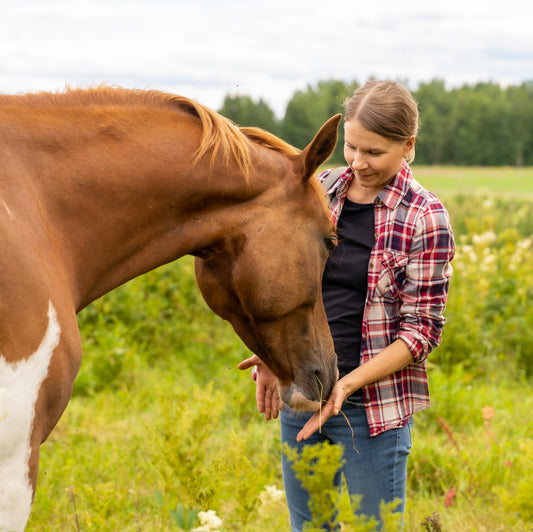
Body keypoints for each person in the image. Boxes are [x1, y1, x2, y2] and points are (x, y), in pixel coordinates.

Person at [239, 80, 455, 531]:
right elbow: (290, 285)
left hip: (372, 410)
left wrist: (347, 386)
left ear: (408, 145)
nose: (358, 163)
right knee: (310, 528)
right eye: (351, 148)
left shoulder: (425, 217)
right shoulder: (320, 188)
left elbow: (421, 333)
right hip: (304, 390)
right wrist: (273, 351)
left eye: (373, 152)